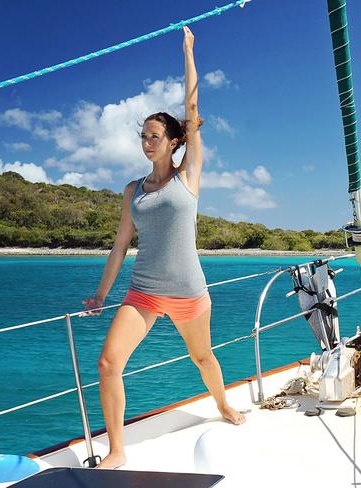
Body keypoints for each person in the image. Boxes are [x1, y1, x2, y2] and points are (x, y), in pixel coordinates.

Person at [83, 25, 245, 470]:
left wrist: (189, 50)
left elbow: (191, 109)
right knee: (107, 363)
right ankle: (117, 450)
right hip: (144, 291)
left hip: (189, 291)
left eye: (154, 135)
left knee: (202, 357)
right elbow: (119, 247)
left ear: (174, 142)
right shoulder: (133, 189)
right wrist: (101, 294)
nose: (146, 141)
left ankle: (224, 405)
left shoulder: (187, 175)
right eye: (143, 136)